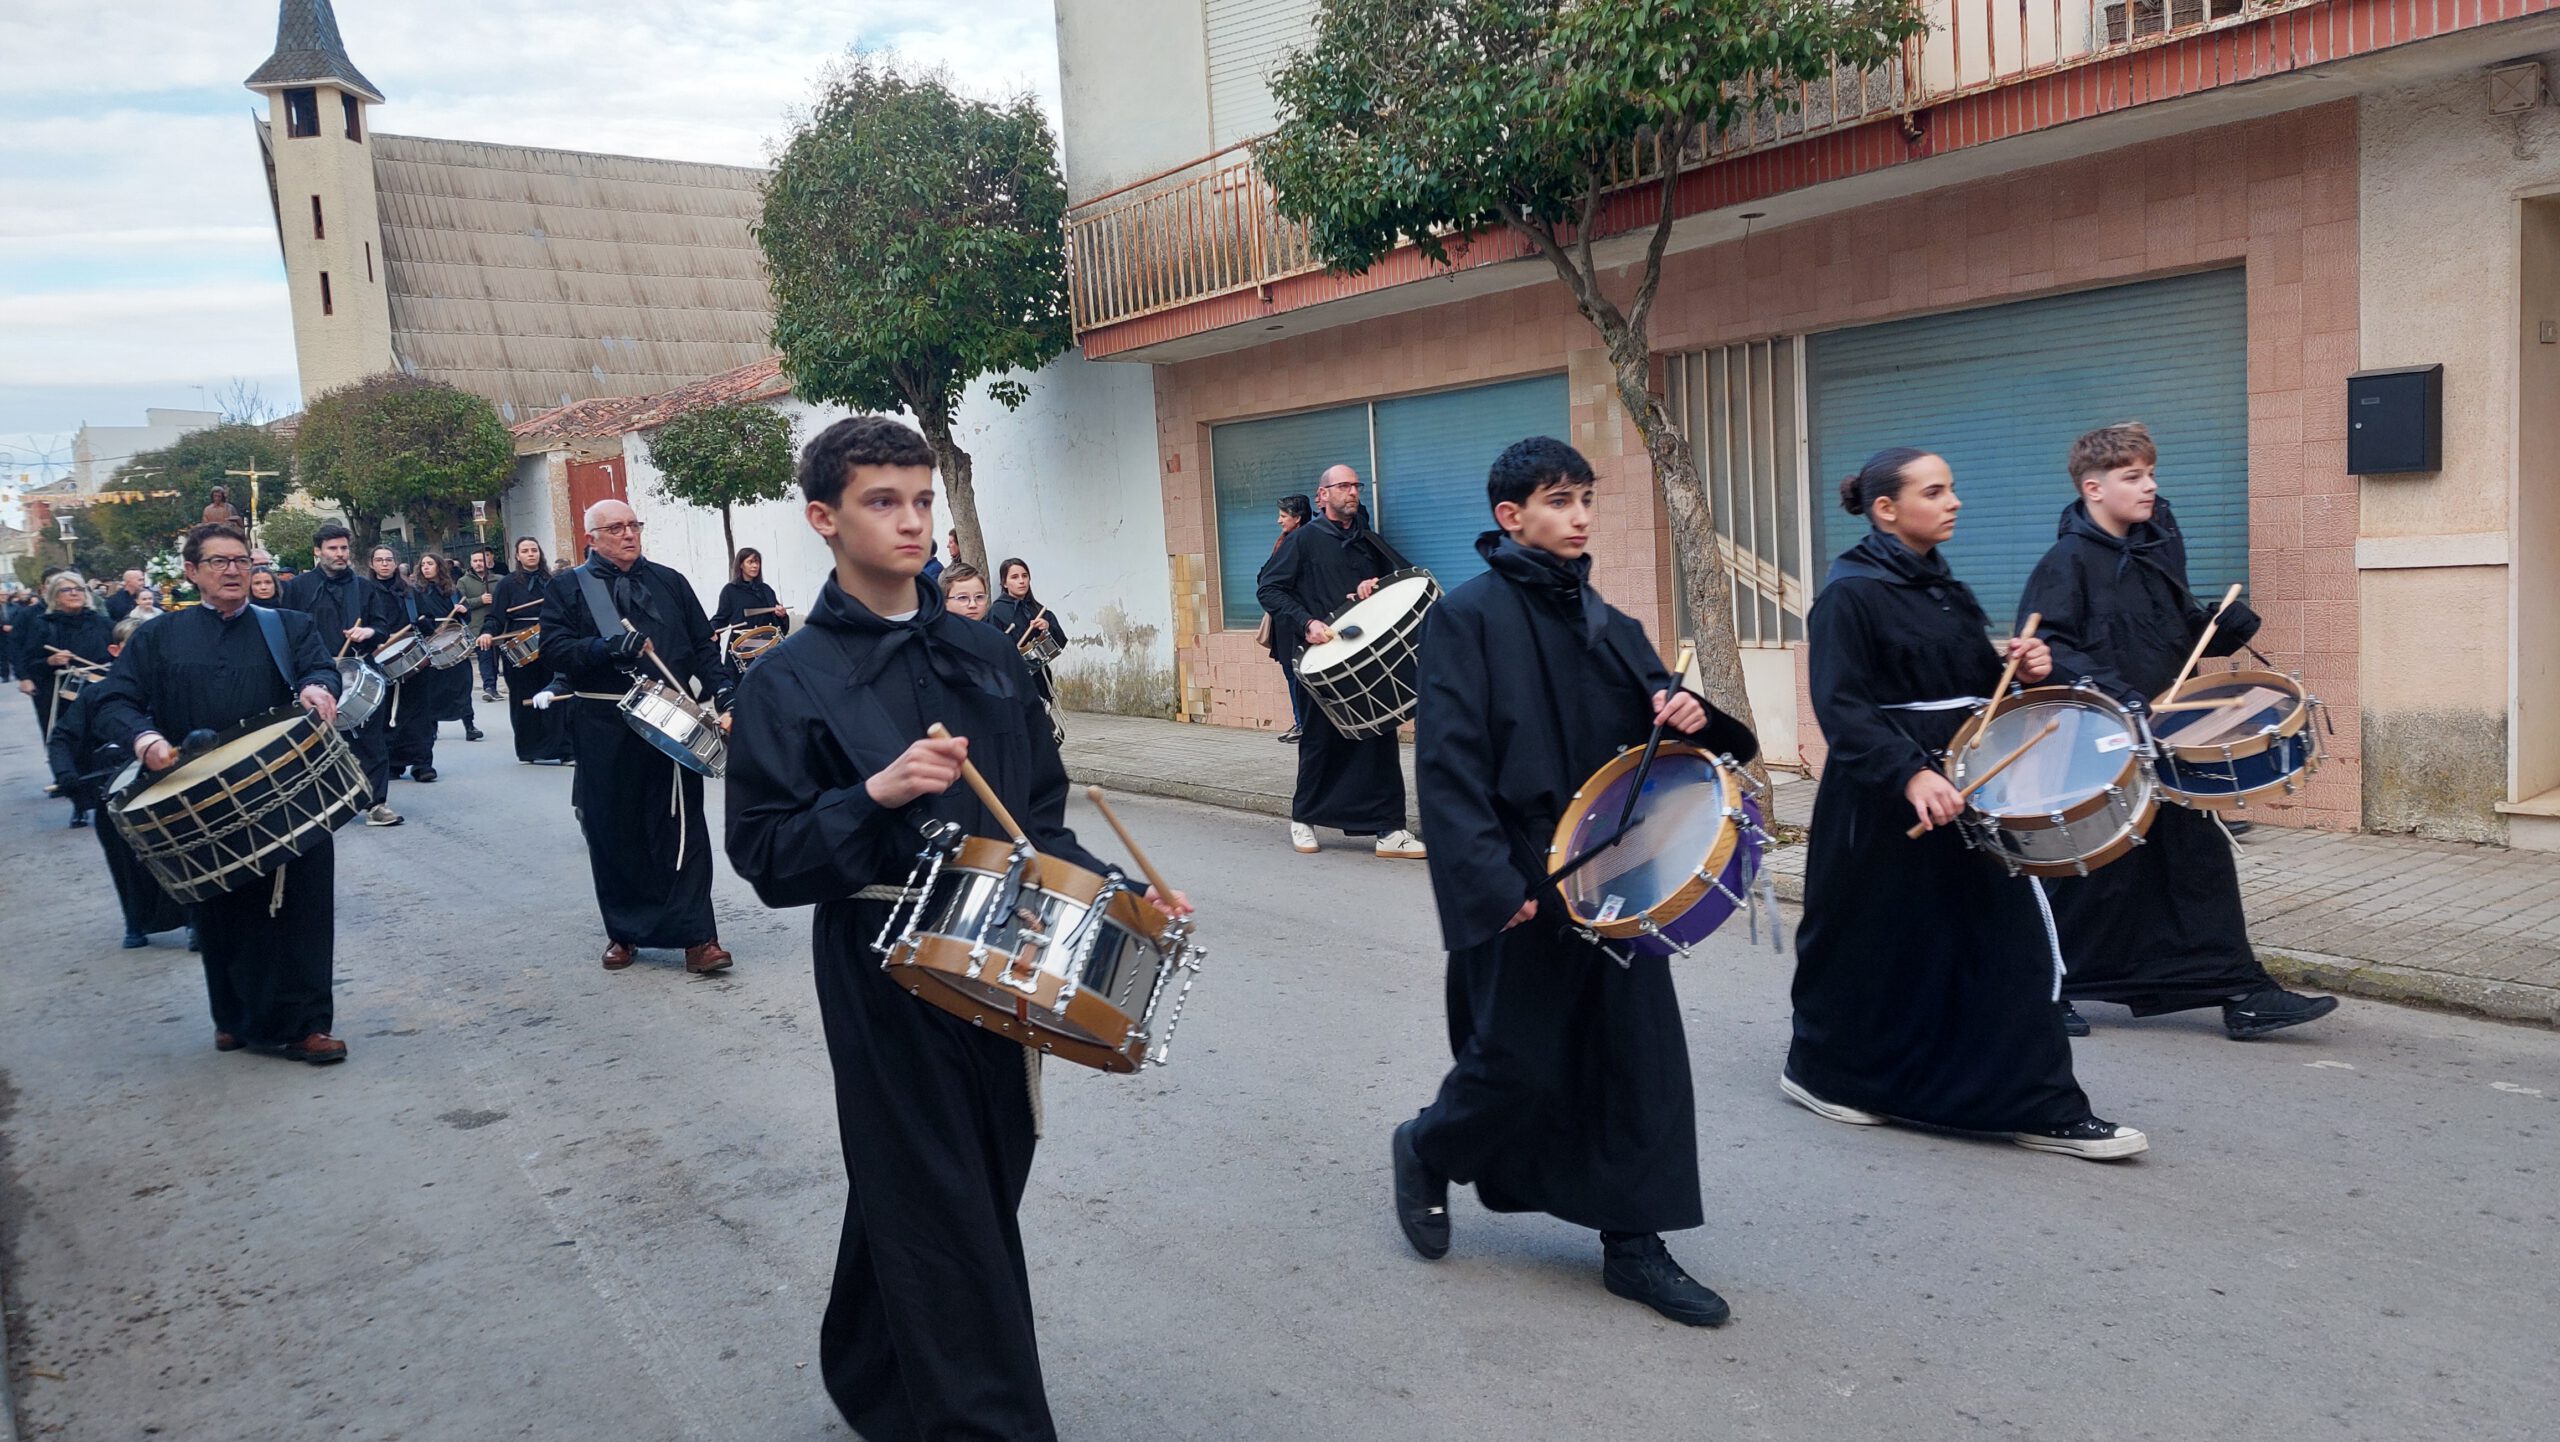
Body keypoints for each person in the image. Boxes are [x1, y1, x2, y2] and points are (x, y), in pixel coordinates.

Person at [725, 414, 1181, 1442]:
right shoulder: (785, 679)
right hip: (884, 962)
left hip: (1009, 945)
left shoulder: (986, 652)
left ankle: (871, 1371)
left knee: (966, 1178)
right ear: (823, 518)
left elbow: (1041, 815)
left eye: (922, 500)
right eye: (882, 501)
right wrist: (874, 794)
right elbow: (764, 856)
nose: (912, 522)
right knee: (945, 1202)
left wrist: (1119, 889)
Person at [1392, 436, 1757, 1326]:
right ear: (1510, 515)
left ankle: (1636, 1246)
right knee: (1514, 1063)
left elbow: (1673, 735)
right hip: (1521, 876)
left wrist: (1690, 714)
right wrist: (1492, 884)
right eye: (1560, 501)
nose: (1581, 516)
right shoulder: (1466, 618)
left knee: (1640, 1061)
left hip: (1619, 878)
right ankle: (1428, 1147)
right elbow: (1448, 767)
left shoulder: (1609, 622)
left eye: (1586, 498)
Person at [1783, 447, 2146, 1160]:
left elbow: (1972, 684)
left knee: (2000, 941)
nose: (1953, 502)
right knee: (1869, 947)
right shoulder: (1849, 594)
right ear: (1886, 509)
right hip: (1887, 801)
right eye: (1934, 491)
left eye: (1951, 488)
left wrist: (2023, 667)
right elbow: (1843, 707)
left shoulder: (1942, 586)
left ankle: (2034, 1101)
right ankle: (1825, 1072)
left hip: (1968, 787)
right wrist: (1910, 776)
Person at [2019, 423, 2338, 1041]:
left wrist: (2222, 627)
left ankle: (2242, 992)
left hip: (2167, 737)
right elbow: (2050, 650)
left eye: (2151, 474)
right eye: (2133, 476)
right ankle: (2041, 983)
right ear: (2093, 488)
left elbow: (2177, 636)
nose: (2150, 486)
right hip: (2101, 740)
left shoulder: (2157, 551)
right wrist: (2122, 697)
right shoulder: (2065, 563)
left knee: (2196, 863)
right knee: (2096, 873)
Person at [89, 522, 349, 1064]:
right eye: (219, 562)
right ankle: (232, 1018)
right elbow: (113, 700)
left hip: (285, 788)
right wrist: (145, 739)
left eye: (242, 561)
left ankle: (307, 1024)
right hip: (198, 796)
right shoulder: (158, 636)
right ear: (191, 572)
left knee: (301, 906)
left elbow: (321, 669)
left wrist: (317, 687)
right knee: (221, 909)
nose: (234, 571)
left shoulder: (288, 625)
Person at [538, 499, 736, 973]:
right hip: (603, 722)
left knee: (681, 829)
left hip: (672, 720)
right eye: (616, 528)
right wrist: (605, 647)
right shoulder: (568, 587)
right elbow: (554, 650)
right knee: (613, 829)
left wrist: (726, 693)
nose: (628, 534)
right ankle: (624, 932)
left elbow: (702, 645)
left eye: (633, 525)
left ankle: (699, 938)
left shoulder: (670, 581)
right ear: (591, 537)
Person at [1256, 465, 1427, 860]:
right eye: (1343, 486)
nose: (1352, 492)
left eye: (1356, 485)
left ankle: (1390, 829)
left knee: (1379, 742)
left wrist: (1375, 586)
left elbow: (1400, 583)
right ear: (1322, 496)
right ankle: (1303, 818)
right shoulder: (1303, 540)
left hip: (1365, 658)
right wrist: (1307, 623)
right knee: (1320, 742)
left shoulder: (1367, 539)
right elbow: (1270, 589)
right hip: (1320, 661)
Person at [49, 615, 190, 946]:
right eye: (134, 647)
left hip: (168, 786)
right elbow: (63, 738)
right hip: (113, 789)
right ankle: (135, 922)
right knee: (125, 860)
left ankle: (194, 921)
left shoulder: (175, 689)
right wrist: (66, 774)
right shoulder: (96, 694)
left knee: (183, 853)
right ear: (115, 651)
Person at [280, 523, 404, 826]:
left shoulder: (364, 587)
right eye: (333, 548)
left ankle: (376, 804)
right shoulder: (298, 588)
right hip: (316, 675)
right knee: (319, 742)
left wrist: (369, 632)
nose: (339, 554)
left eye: (344, 548)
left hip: (360, 669)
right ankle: (323, 803)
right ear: (317, 551)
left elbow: (382, 628)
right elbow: (286, 631)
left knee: (372, 741)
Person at [480, 537, 574, 765]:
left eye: (534, 550)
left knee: (556, 696)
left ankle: (564, 750)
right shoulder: (507, 584)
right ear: (517, 556)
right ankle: (529, 749)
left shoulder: (553, 581)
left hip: (550, 642)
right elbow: (496, 616)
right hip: (518, 644)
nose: (531, 554)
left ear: (540, 553)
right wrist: (487, 632)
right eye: (525, 550)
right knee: (523, 698)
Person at [390, 550, 475, 781]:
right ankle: (432, 728)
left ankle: (469, 723)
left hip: (450, 637)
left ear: (439, 566)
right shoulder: (414, 591)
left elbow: (465, 618)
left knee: (462, 684)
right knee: (431, 691)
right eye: (423, 564)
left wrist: (463, 611)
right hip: (428, 640)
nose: (426, 567)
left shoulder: (452, 590)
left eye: (430, 564)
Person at [16, 571, 112, 763]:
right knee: (70, 745)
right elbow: (29, 663)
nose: (74, 593)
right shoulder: (43, 625)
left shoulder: (102, 623)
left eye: (79, 589)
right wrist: (50, 661)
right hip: (60, 697)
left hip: (99, 693)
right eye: (66, 590)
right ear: (55, 597)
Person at [1259, 493, 1314, 744]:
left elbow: (1268, 578)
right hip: (1285, 620)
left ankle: (1304, 724)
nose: (1279, 521)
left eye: (1283, 516)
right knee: (1291, 673)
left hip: (1295, 621)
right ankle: (1300, 721)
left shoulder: (1298, 543)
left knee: (1296, 674)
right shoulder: (1284, 541)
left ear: (1297, 518)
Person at [711, 546, 792, 643]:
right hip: (743, 644)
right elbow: (721, 618)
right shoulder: (730, 590)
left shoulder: (765, 589)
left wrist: (782, 615)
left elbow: (778, 621)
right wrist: (710, 629)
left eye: (757, 562)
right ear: (741, 565)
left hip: (767, 643)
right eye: (750, 562)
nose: (755, 566)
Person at [460, 547, 503, 701]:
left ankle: (496, 686)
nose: (478, 564)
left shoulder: (499, 580)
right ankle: (489, 686)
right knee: (485, 657)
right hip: (477, 627)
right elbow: (460, 603)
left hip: (499, 626)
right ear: (471, 563)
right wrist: (480, 600)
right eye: (475, 561)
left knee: (496, 657)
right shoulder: (463, 581)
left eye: (481, 560)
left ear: (488, 562)